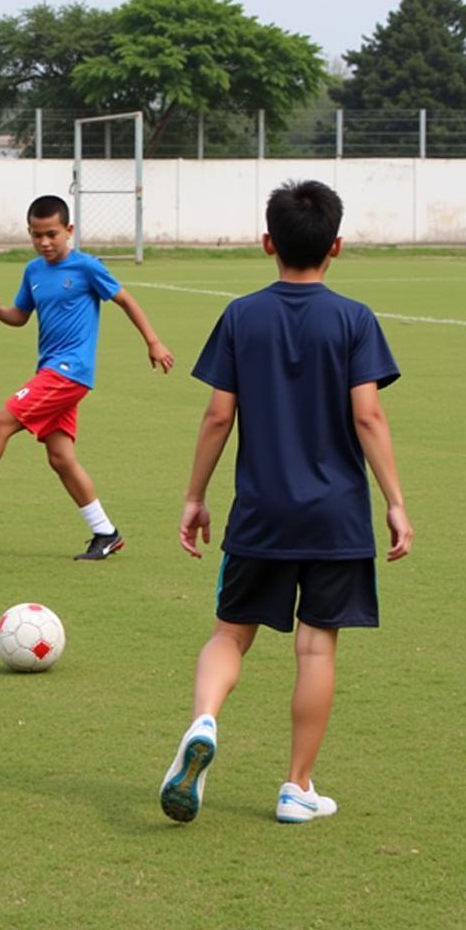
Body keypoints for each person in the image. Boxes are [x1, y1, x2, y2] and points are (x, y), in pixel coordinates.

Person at [159, 179, 414, 825]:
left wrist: (195, 496)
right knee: (316, 649)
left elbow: (219, 416)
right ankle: (297, 787)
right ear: (338, 245)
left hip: (261, 513)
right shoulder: (354, 319)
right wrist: (395, 502)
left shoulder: (242, 315)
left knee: (229, 633)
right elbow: (369, 417)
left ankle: (205, 722)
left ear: (267, 242)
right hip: (336, 517)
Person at [0, 194, 174, 560]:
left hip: (69, 372)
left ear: (69, 230)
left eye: (52, 234)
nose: (45, 242)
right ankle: (105, 532)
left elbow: (125, 300)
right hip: (50, 370)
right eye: (36, 235)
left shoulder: (87, 267)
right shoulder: (33, 271)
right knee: (60, 457)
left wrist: (153, 342)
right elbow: (21, 316)